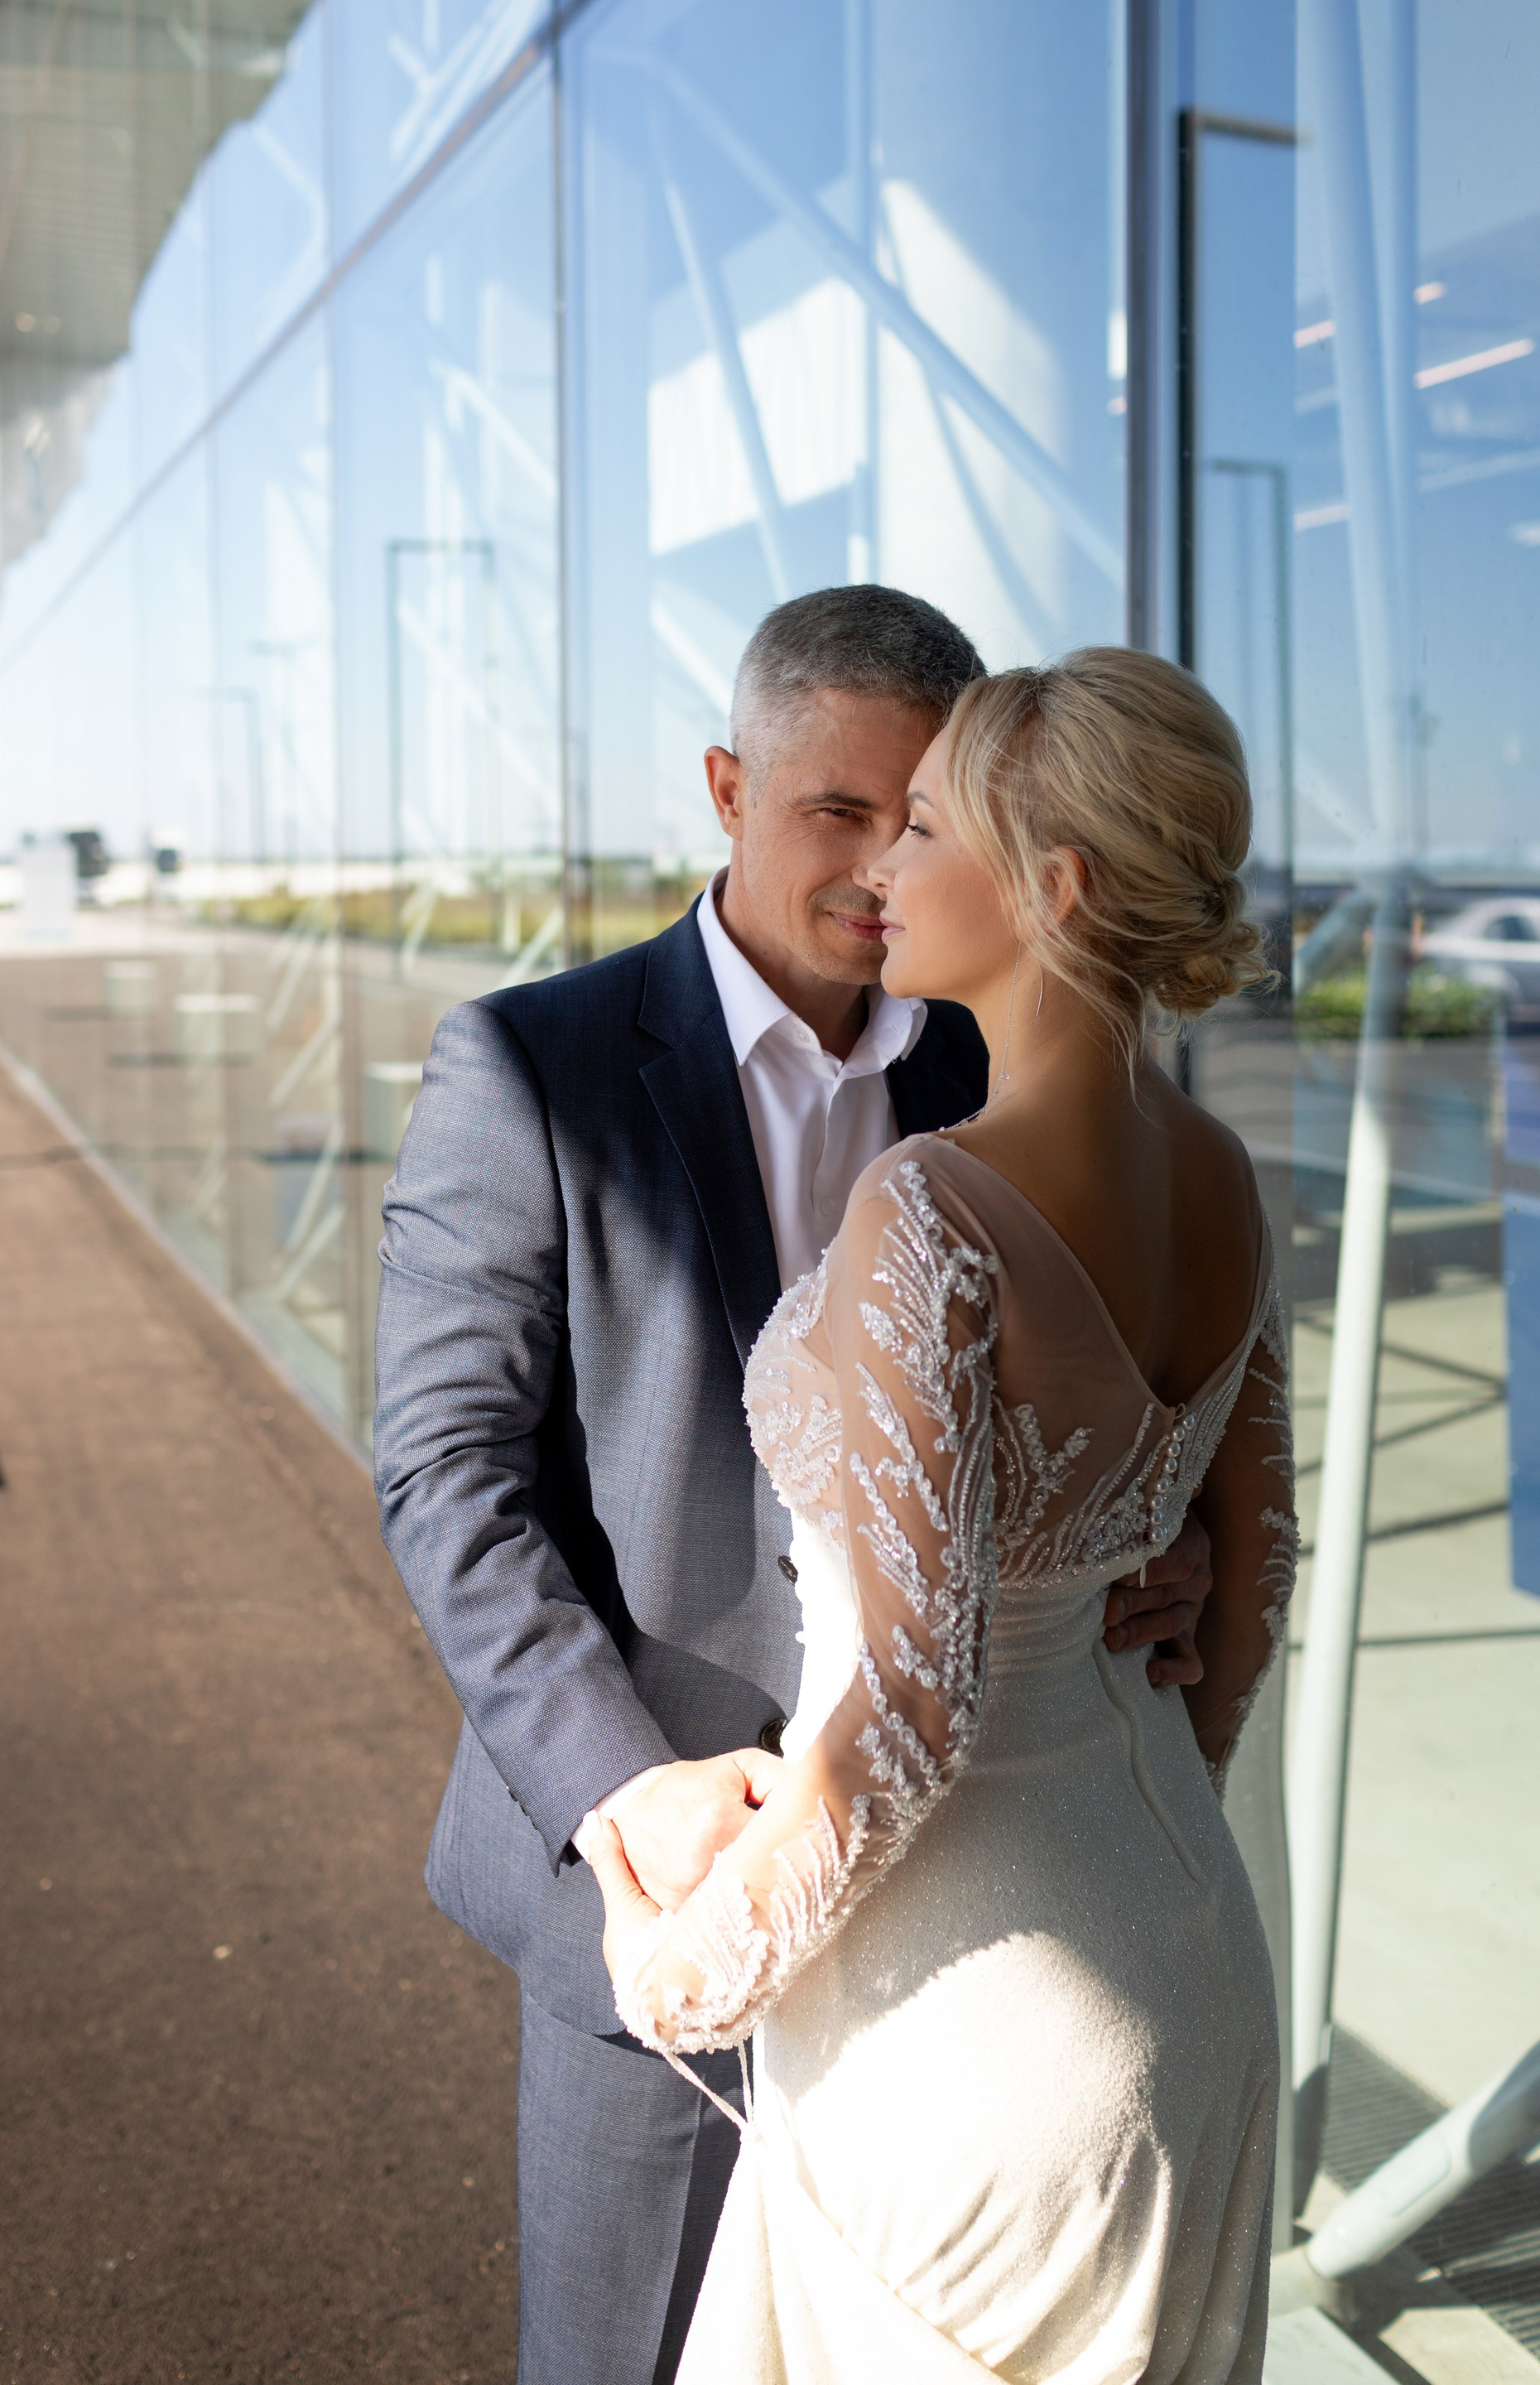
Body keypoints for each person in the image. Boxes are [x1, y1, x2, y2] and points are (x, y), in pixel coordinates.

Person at [374, 592, 1215, 2385]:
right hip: (667, 1868)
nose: (883, 865)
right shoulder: (529, 1066)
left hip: (963, 1923)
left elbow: (1117, 1395)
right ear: (727, 787)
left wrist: (1166, 1548)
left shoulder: (1008, 1053)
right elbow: (447, 1473)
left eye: (922, 818)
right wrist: (623, 1789)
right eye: (840, 811)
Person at [584, 647, 1296, 2383]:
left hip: (975, 2021)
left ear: (1056, 887)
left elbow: (908, 1708)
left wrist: (675, 1980)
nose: (883, 869)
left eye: (922, 829)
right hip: (1192, 1953)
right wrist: (1142, 1807)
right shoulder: (1222, 1173)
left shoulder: (934, 1206)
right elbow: (1255, 1567)